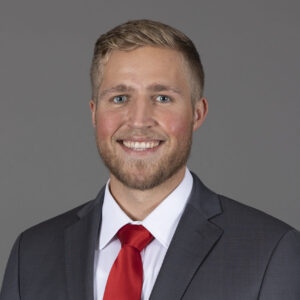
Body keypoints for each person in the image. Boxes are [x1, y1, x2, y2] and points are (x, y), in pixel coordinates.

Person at [1, 19, 299, 300]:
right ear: (94, 112)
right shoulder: (31, 254)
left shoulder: (272, 252)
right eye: (119, 98)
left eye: (162, 98)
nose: (139, 120)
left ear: (198, 113)